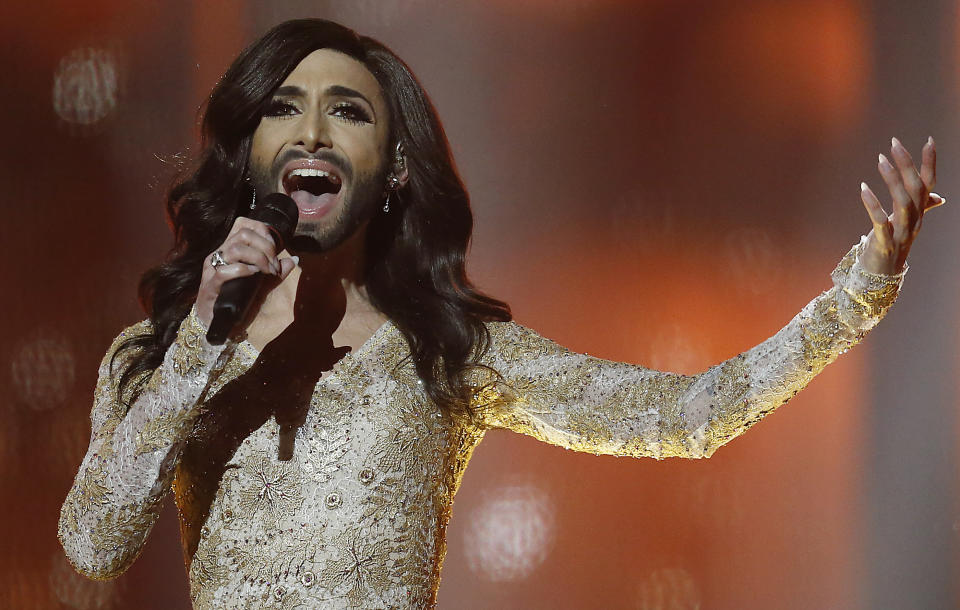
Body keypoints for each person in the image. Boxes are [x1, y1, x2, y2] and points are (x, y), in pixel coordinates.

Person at [57, 18, 942, 609]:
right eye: (282, 109)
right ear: (252, 156)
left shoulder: (448, 351)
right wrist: (201, 346)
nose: (313, 134)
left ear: (394, 166)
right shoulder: (159, 354)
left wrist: (857, 296)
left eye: (348, 112)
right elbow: (94, 545)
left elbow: (686, 417)